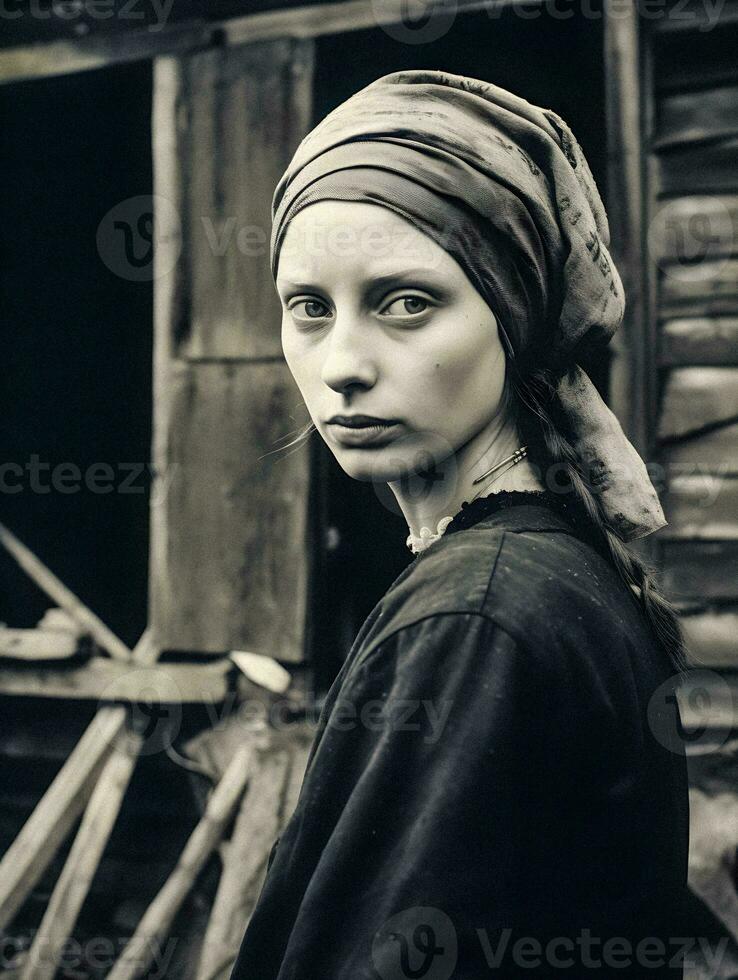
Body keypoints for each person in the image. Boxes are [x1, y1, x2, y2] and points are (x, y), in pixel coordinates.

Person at [230, 70, 691, 979]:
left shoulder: (476, 613)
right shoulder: (542, 572)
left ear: (511, 317)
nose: (343, 366)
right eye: (309, 309)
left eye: (408, 302)